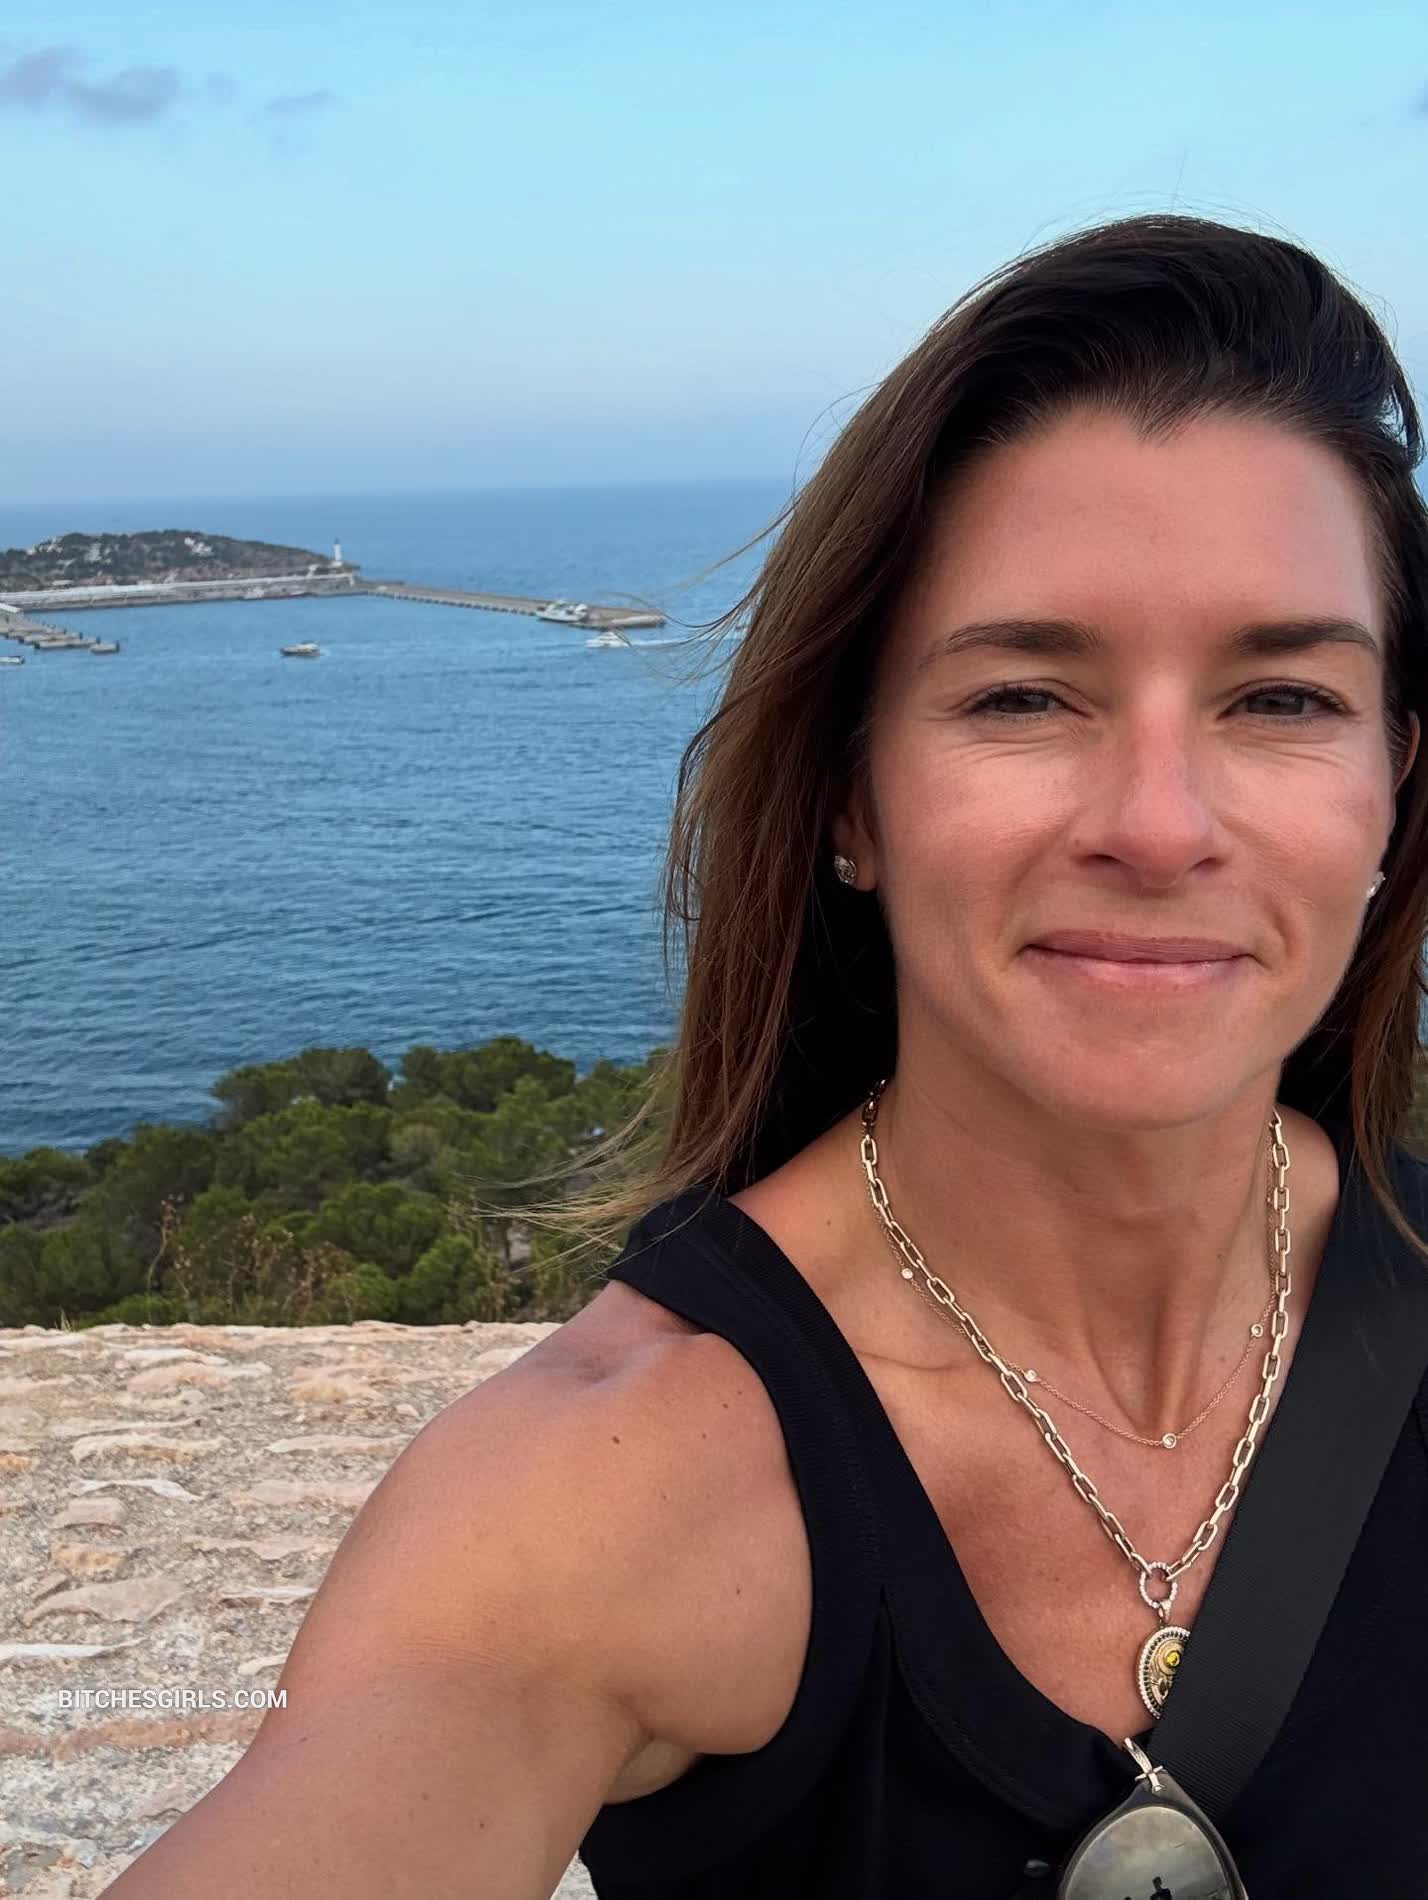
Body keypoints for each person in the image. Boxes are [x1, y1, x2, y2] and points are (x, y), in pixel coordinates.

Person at [104, 213, 1428, 1899]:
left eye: (1283, 700)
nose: (1161, 827)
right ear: (850, 799)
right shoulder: (610, 1487)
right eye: (1024, 696)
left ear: (1393, 785)